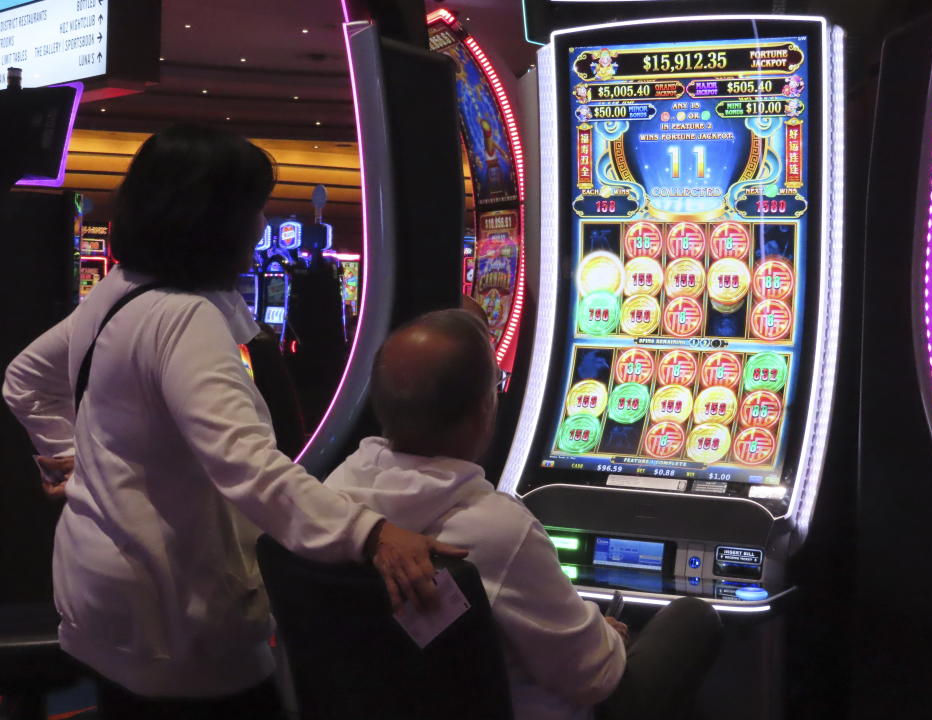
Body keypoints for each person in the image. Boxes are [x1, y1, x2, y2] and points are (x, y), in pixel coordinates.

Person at [2, 125, 464, 719]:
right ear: (213, 220)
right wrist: (371, 534)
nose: (260, 227)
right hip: (171, 615)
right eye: (253, 210)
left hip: (100, 590)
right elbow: (247, 464)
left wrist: (71, 457)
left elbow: (24, 378)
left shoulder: (119, 291)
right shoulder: (183, 318)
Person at [324, 309, 723, 720]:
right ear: (485, 408)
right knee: (694, 618)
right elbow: (595, 677)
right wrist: (606, 633)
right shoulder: (498, 528)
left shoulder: (333, 497)